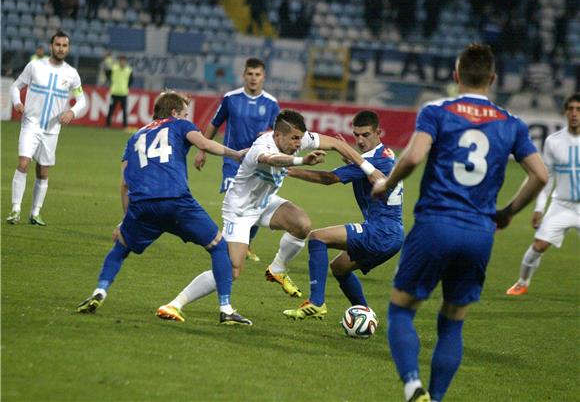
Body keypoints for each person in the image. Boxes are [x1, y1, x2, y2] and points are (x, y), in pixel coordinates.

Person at [372, 43, 547, 402]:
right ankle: (434, 399)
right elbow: (540, 176)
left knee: (401, 309)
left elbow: (415, 155)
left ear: (455, 75)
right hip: (480, 232)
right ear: (493, 78)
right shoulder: (511, 123)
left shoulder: (438, 111)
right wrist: (509, 211)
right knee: (453, 318)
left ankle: (411, 387)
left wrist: (386, 185)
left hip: (436, 224)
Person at [156, 109, 386, 323]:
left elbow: (336, 144)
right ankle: (175, 304)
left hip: (265, 203)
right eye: (294, 139)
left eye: (301, 139)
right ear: (277, 135)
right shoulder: (261, 147)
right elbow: (272, 160)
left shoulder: (296, 138)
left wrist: (369, 170)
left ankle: (277, 268)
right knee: (233, 269)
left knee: (302, 225)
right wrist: (301, 161)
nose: (298, 144)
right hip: (240, 211)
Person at [77, 91, 252, 325]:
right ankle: (226, 309)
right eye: (185, 112)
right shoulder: (179, 125)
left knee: (120, 248)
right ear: (174, 113)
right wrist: (235, 154)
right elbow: (204, 143)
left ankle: (100, 291)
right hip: (176, 202)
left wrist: (125, 219)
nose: (187, 116)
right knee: (219, 248)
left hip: (142, 206)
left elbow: (124, 183)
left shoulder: (135, 137)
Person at [282, 111, 404, 319]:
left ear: (379, 132)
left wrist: (289, 170)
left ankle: (316, 303)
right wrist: (351, 159)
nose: (360, 140)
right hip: (393, 234)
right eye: (356, 135)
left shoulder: (373, 160)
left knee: (317, 237)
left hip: (381, 231)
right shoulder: (387, 154)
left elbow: (329, 178)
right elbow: (363, 168)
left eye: (365, 135)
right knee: (339, 268)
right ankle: (365, 315)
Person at [194, 58, 280, 262]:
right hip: (233, 159)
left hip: (260, 162)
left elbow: (279, 133)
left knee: (257, 203)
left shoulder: (271, 103)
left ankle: (245, 244)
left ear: (263, 77)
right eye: (250, 74)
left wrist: (269, 133)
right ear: (244, 75)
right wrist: (202, 150)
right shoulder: (231, 98)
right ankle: (227, 244)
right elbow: (214, 124)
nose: (253, 78)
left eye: (257, 74)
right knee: (236, 201)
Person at [7, 31, 86, 226]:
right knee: (24, 163)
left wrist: (72, 112)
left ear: (68, 48)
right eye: (57, 45)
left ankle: (35, 213)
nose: (61, 48)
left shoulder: (72, 74)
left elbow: (82, 100)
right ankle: (15, 210)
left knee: (43, 172)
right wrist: (17, 103)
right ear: (51, 46)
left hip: (52, 130)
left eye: (64, 45)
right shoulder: (35, 66)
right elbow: (15, 86)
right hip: (31, 124)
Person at [506, 93, 580, 296]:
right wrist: (539, 208)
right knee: (538, 245)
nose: (574, 114)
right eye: (571, 109)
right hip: (562, 205)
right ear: (565, 112)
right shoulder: (554, 142)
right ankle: (522, 282)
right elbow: (545, 178)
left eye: (578, 109)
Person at [105, 55, 133, 129]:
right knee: (111, 110)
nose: (122, 62)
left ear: (126, 62)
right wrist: (111, 82)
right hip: (114, 93)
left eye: (124, 61)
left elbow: (131, 81)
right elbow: (107, 74)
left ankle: (125, 126)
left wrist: (126, 87)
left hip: (124, 93)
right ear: (119, 61)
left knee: (124, 111)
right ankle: (107, 125)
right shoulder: (114, 68)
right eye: (121, 61)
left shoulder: (129, 70)